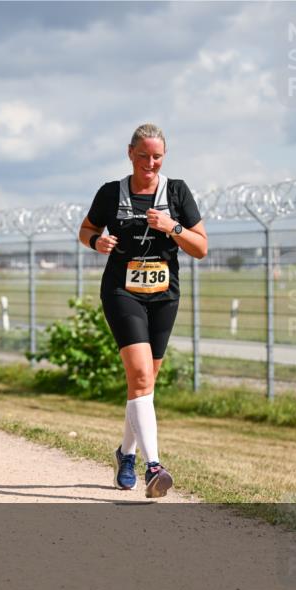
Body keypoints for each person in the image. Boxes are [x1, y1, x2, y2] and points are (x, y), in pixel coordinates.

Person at [78, 123, 208, 498]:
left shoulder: (177, 191)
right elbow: (85, 229)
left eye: (157, 156)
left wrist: (173, 226)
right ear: (129, 153)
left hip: (164, 295)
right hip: (122, 292)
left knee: (145, 383)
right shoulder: (110, 192)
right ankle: (154, 466)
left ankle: (125, 454)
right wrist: (96, 241)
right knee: (138, 376)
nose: (150, 163)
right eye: (142, 156)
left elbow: (200, 247)